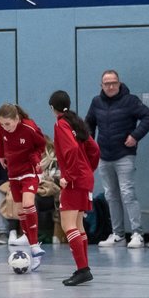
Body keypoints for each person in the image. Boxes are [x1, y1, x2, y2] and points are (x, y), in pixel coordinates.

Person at [85, 70, 149, 248]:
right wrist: (90, 144)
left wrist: (135, 136)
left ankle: (137, 234)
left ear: (119, 83)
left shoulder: (130, 101)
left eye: (113, 83)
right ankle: (118, 234)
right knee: (111, 195)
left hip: (124, 155)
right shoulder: (96, 102)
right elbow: (89, 123)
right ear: (101, 85)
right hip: (104, 156)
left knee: (127, 193)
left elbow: (148, 116)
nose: (110, 86)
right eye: (107, 83)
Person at [50, 90, 101, 286]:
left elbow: (70, 149)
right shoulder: (76, 122)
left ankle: (82, 269)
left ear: (52, 108)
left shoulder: (61, 124)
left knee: (68, 225)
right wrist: (89, 168)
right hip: (85, 177)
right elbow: (94, 149)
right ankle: (83, 268)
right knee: (78, 225)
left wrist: (68, 176)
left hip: (74, 179)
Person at [0, 104, 48, 268]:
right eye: (2, 124)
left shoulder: (29, 127)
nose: (5, 128)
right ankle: (33, 248)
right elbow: (0, 140)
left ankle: (33, 245)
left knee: (27, 204)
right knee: (20, 212)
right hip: (13, 172)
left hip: (29, 171)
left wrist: (35, 158)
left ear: (17, 119)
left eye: (8, 124)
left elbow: (42, 145)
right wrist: (1, 155)